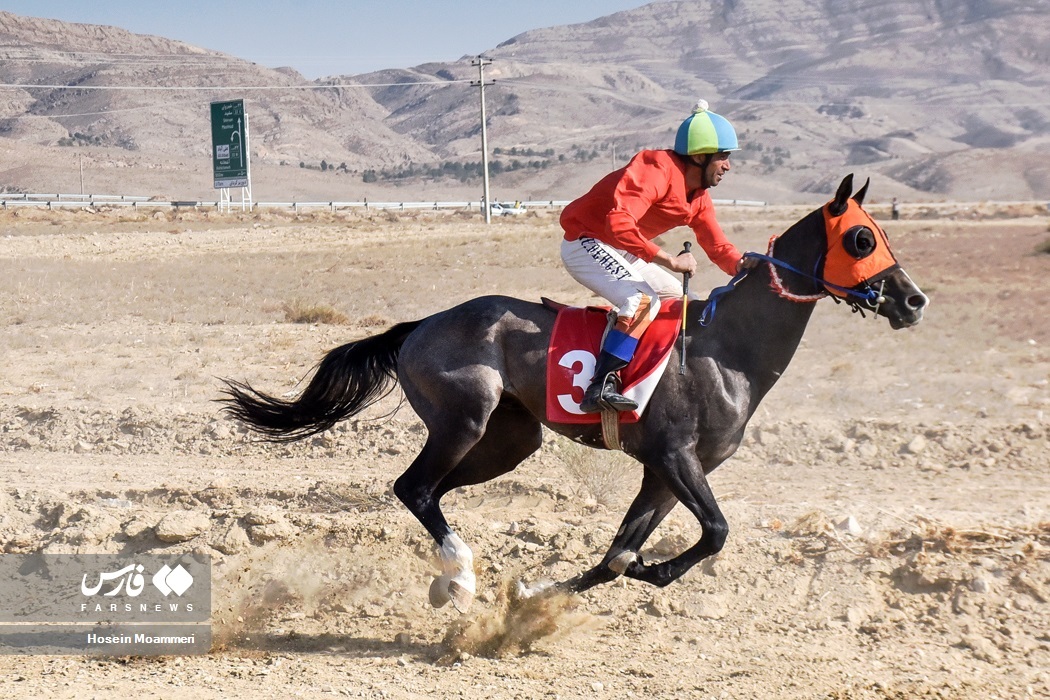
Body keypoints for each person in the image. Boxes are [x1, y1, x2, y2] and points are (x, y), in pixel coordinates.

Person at [559, 99, 754, 414]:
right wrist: (670, 261)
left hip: (623, 249)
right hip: (586, 241)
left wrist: (745, 265)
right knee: (642, 300)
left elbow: (718, 247)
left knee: (679, 300)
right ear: (700, 156)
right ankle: (601, 385)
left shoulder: (699, 198)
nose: (728, 165)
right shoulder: (655, 169)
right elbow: (618, 223)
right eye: (723, 157)